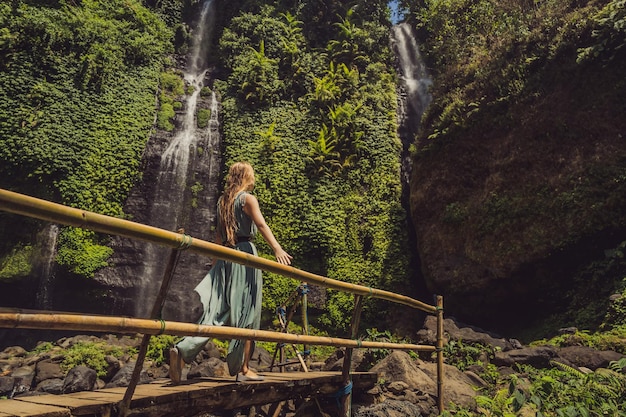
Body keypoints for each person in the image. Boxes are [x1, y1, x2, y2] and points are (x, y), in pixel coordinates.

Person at [169, 162, 292, 383]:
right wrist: (277, 249)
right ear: (245, 175)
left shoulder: (223, 201)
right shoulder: (247, 199)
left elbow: (218, 235)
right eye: (252, 173)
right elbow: (262, 225)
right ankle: (243, 369)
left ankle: (183, 350)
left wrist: (216, 262)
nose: (254, 176)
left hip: (226, 256)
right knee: (247, 313)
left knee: (217, 314)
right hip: (244, 256)